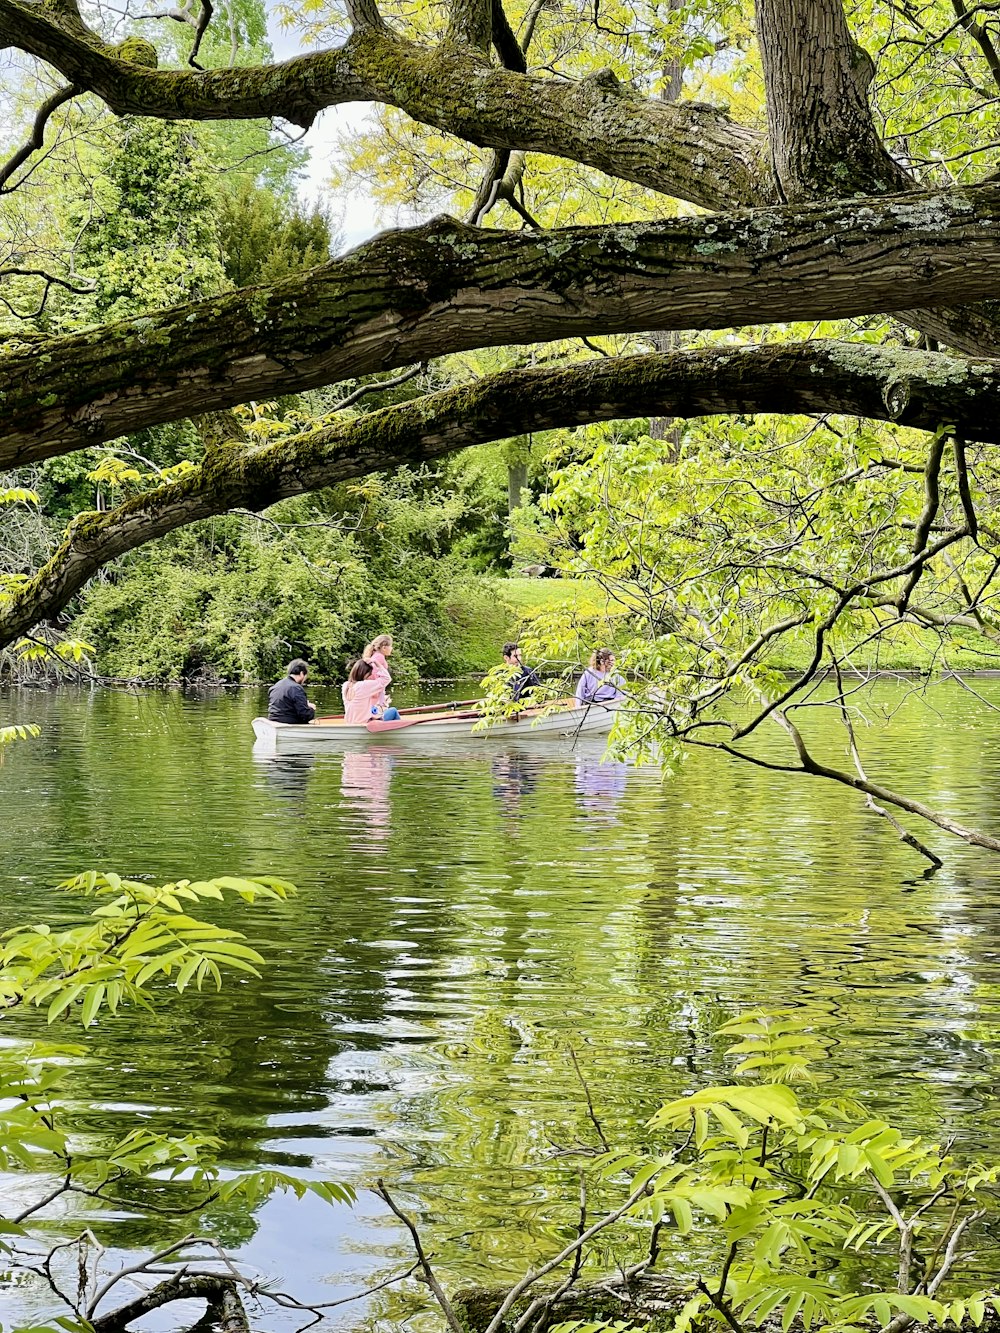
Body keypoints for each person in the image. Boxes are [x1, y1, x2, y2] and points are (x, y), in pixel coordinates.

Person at [342, 659, 401, 723]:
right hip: (365, 724)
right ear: (364, 673)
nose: (370, 676)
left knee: (378, 714)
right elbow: (387, 679)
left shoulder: (345, 685)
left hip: (350, 722)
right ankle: (401, 731)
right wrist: (377, 663)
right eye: (369, 674)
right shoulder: (363, 685)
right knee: (393, 711)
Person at [268, 659, 316, 724]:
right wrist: (311, 709)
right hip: (289, 723)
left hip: (273, 721)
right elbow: (305, 716)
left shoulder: (275, 686)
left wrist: (305, 705)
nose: (305, 679)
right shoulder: (296, 688)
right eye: (305, 676)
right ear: (302, 673)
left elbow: (285, 706)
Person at [364, 634, 394, 709]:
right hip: (374, 695)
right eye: (390, 646)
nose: (392, 648)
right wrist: (381, 699)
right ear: (384, 647)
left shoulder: (376, 656)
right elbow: (374, 675)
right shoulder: (379, 657)